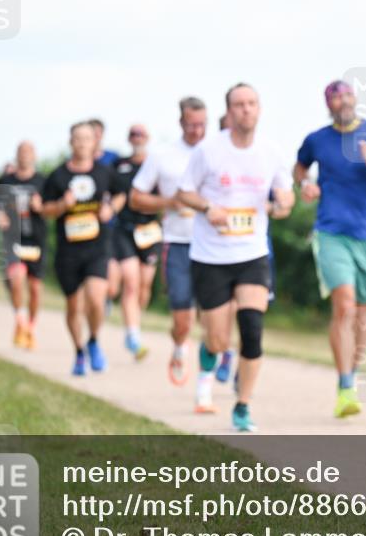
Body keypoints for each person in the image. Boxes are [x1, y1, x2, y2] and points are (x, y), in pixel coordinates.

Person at [177, 83, 294, 430]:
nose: (246, 110)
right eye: (239, 105)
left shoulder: (271, 151)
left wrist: (283, 204)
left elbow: (284, 194)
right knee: (217, 339)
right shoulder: (209, 151)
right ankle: (209, 360)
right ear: (229, 112)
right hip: (210, 256)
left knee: (253, 330)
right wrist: (209, 206)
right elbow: (184, 192)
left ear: (259, 109)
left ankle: (242, 404)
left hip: (251, 254)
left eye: (252, 103)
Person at [294, 79, 366, 417]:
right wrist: (306, 185)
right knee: (344, 306)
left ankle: (351, 378)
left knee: (362, 317)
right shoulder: (317, 140)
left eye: (346, 95)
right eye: (335, 97)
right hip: (331, 233)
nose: (342, 101)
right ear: (328, 105)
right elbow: (299, 169)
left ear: (354, 99)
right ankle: (344, 386)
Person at [130, 97, 208, 384]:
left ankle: (209, 373)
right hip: (177, 243)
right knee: (183, 318)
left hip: (213, 246)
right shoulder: (163, 156)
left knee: (213, 316)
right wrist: (168, 202)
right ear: (180, 123)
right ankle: (179, 344)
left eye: (202, 125)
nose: (197, 131)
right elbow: (136, 197)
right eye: (191, 125)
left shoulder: (216, 152)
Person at [41, 121, 126, 376]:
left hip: (97, 248)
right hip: (68, 252)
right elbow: (44, 210)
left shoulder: (103, 173)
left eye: (87, 139)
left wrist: (111, 209)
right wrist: (61, 206)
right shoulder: (58, 176)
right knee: (73, 307)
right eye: (77, 139)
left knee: (96, 299)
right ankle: (79, 351)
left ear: (94, 142)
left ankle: (94, 341)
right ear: (70, 142)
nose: (82, 144)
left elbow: (122, 193)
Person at [0, 141, 47, 349]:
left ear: (35, 156)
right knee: (16, 279)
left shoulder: (43, 181)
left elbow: (52, 206)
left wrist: (42, 207)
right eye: (21, 152)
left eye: (28, 152)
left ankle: (30, 328)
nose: (24, 156)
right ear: (16, 155)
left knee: (35, 289)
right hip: (13, 239)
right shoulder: (5, 180)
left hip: (36, 240)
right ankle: (21, 322)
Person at [113, 124, 160, 360]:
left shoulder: (155, 163)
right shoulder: (119, 165)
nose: (137, 138)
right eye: (133, 134)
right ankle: (133, 335)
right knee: (130, 282)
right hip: (124, 230)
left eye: (141, 134)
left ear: (148, 138)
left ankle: (135, 321)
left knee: (144, 286)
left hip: (150, 231)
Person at [89, 117, 123, 308]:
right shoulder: (75, 162)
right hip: (83, 225)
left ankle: (106, 298)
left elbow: (123, 189)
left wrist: (112, 207)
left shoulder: (113, 159)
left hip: (108, 226)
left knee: (112, 282)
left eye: (97, 133)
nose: (93, 137)